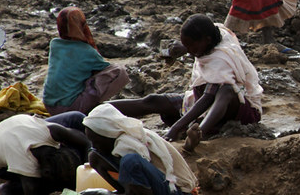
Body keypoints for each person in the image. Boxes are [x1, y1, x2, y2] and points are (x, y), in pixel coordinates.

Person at [111, 14, 263, 149]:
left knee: (226, 91)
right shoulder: (216, 33)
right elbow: (204, 95)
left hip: (238, 111)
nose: (189, 50)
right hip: (201, 99)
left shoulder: (220, 59)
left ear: (207, 41)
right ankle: (98, 109)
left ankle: (198, 133)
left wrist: (176, 127)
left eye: (191, 45)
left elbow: (209, 97)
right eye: (186, 44)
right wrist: (184, 48)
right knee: (154, 100)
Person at [80, 104, 199, 195]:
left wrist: (99, 194)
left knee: (130, 162)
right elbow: (130, 193)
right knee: (95, 156)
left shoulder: (130, 146)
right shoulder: (117, 140)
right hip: (164, 192)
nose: (95, 145)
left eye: (97, 141)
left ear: (109, 135)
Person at [0, 112, 90, 195]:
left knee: (77, 118)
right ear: (45, 171)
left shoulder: (52, 130)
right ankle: (9, 188)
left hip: (21, 127)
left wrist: (87, 171)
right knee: (44, 186)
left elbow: (86, 143)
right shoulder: (23, 158)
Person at [42, 7, 129, 115]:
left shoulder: (55, 44)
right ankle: (92, 106)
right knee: (119, 72)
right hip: (70, 108)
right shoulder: (86, 51)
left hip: (49, 105)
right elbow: (105, 69)